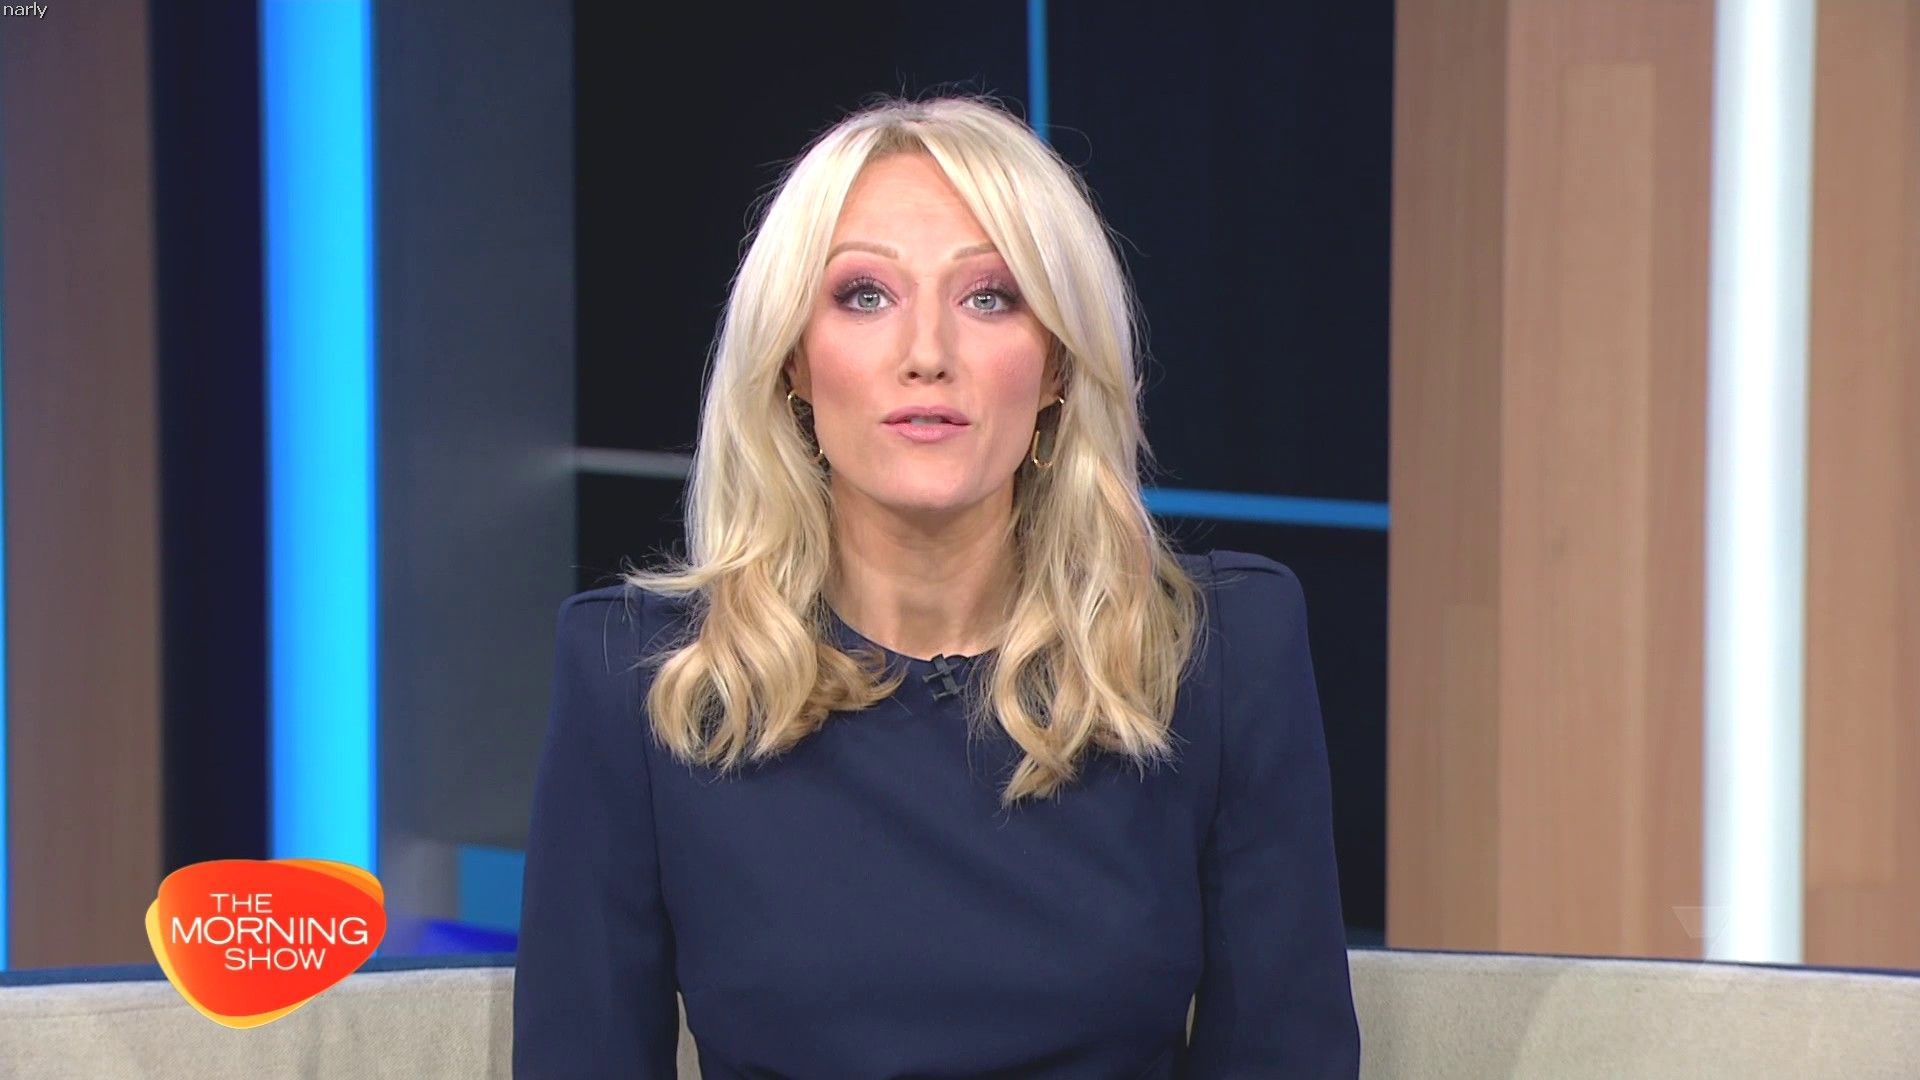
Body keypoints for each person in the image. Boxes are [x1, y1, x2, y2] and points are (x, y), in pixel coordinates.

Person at [513, 95, 1361, 1078]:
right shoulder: (646, 680)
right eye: (865, 295)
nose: (927, 355)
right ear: (792, 362)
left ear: (1056, 366)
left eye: (989, 297)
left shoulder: (1215, 657)